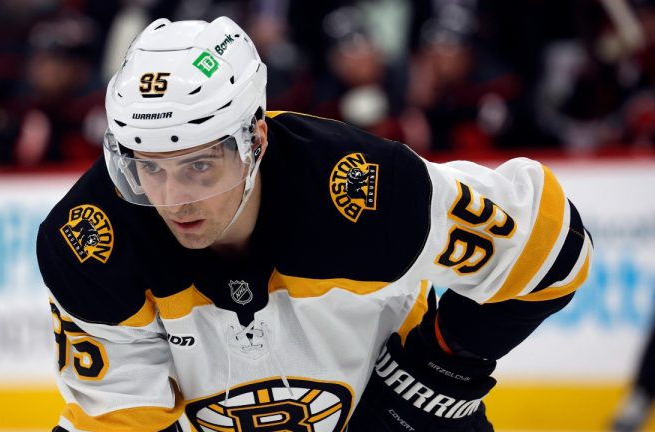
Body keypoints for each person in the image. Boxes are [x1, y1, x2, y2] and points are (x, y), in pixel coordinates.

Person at [36, 16, 593, 432]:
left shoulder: (362, 189)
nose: (172, 199)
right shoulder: (90, 242)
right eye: (147, 169)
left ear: (254, 141)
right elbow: (118, 417)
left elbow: (552, 243)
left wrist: (432, 375)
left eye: (199, 166)